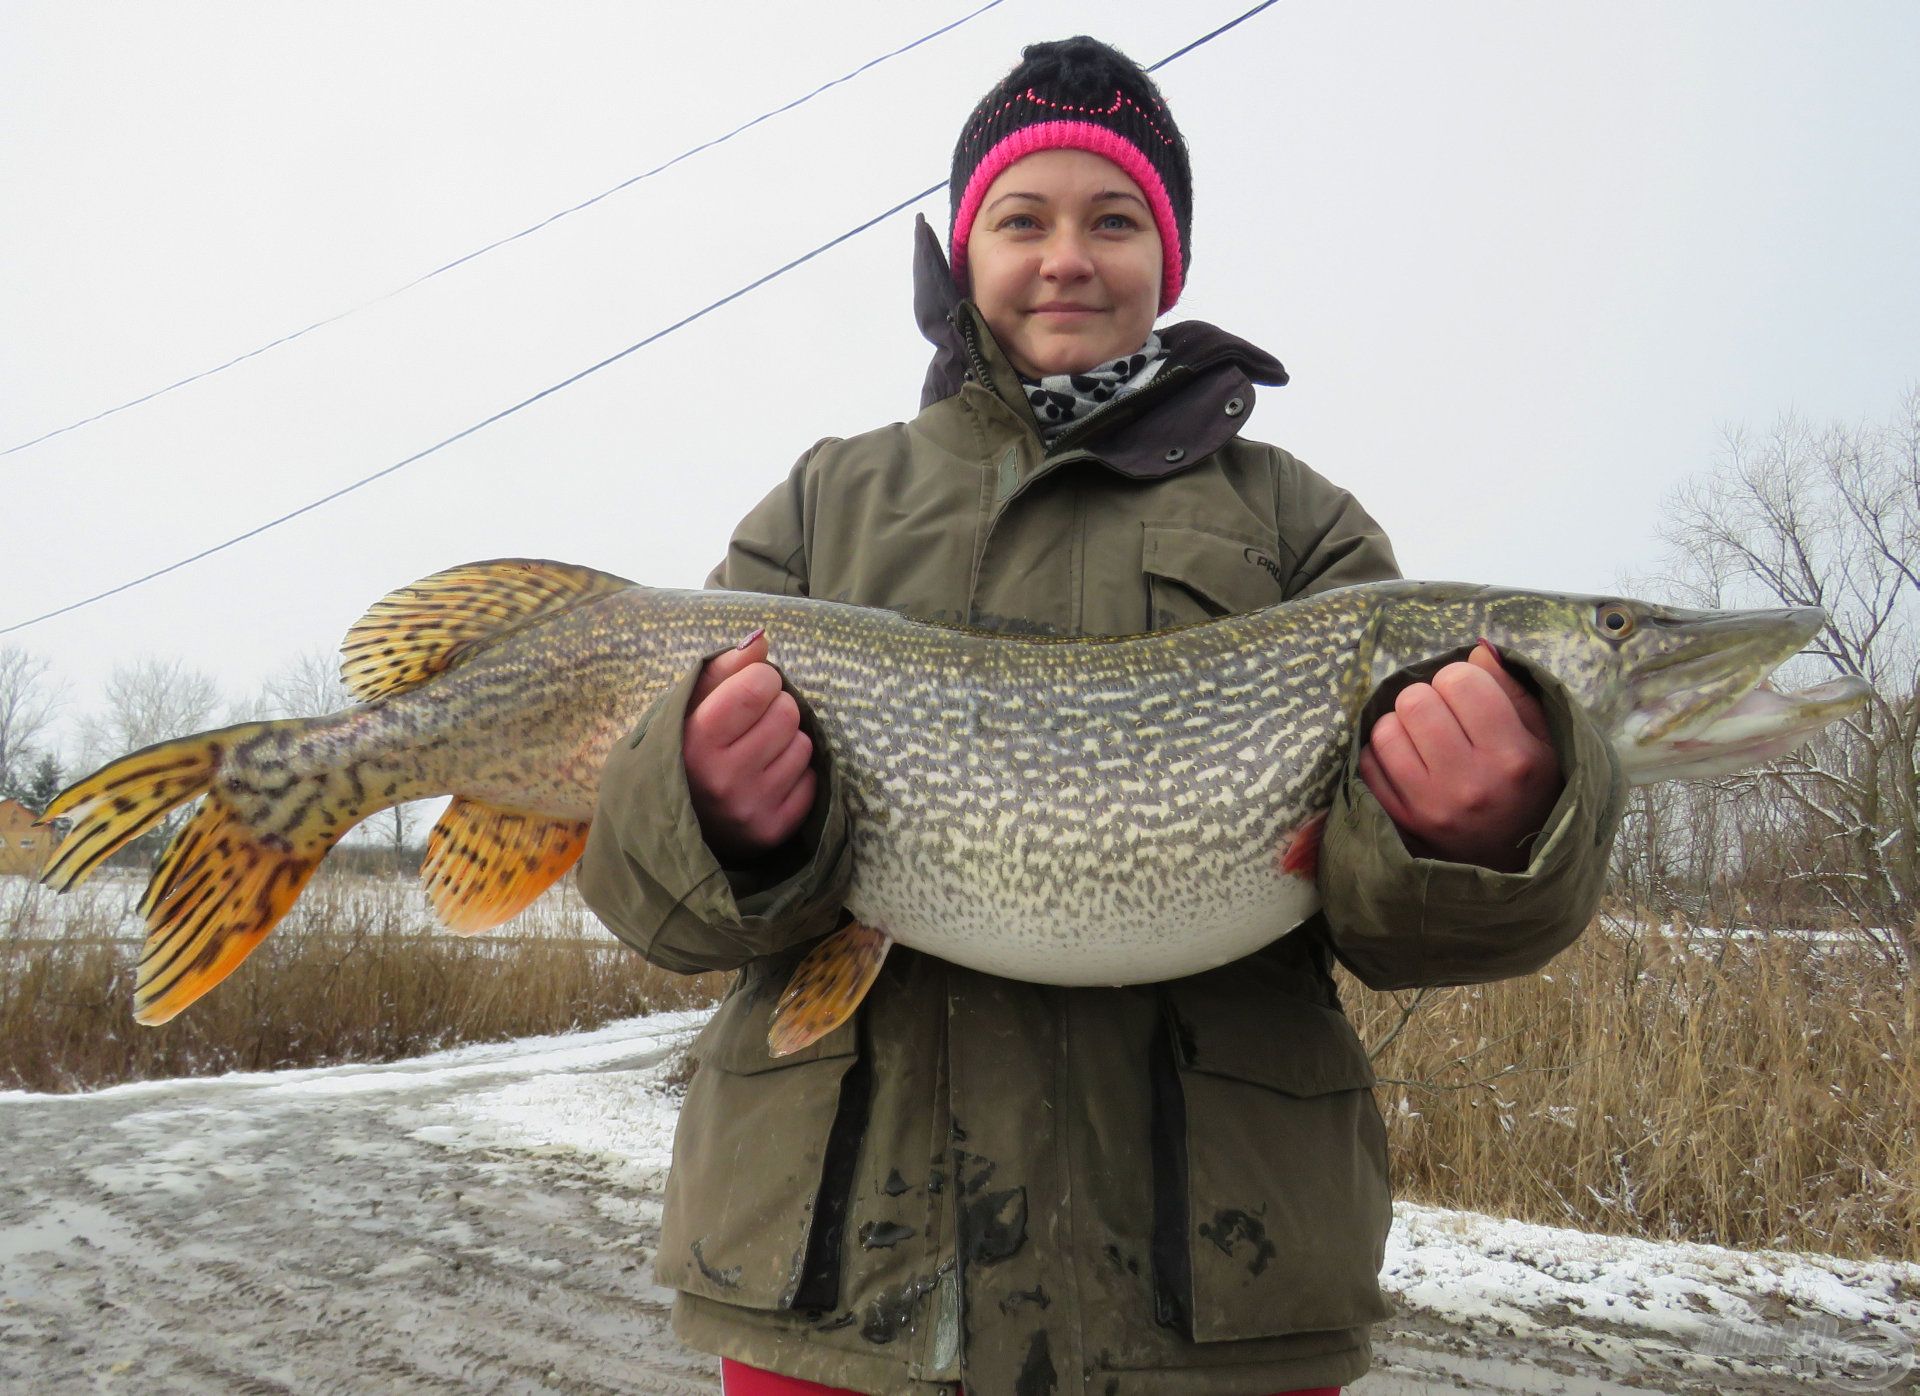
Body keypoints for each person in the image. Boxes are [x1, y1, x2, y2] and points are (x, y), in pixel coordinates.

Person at [580, 36, 1623, 1396]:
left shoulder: (1299, 526)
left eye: (1114, 218)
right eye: (1023, 218)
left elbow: (1389, 921)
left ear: (1168, 259)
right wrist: (712, 813)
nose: (1067, 255)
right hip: (850, 1296)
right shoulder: (828, 505)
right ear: (967, 252)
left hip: (1210, 1306)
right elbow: (655, 895)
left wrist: (1483, 836)